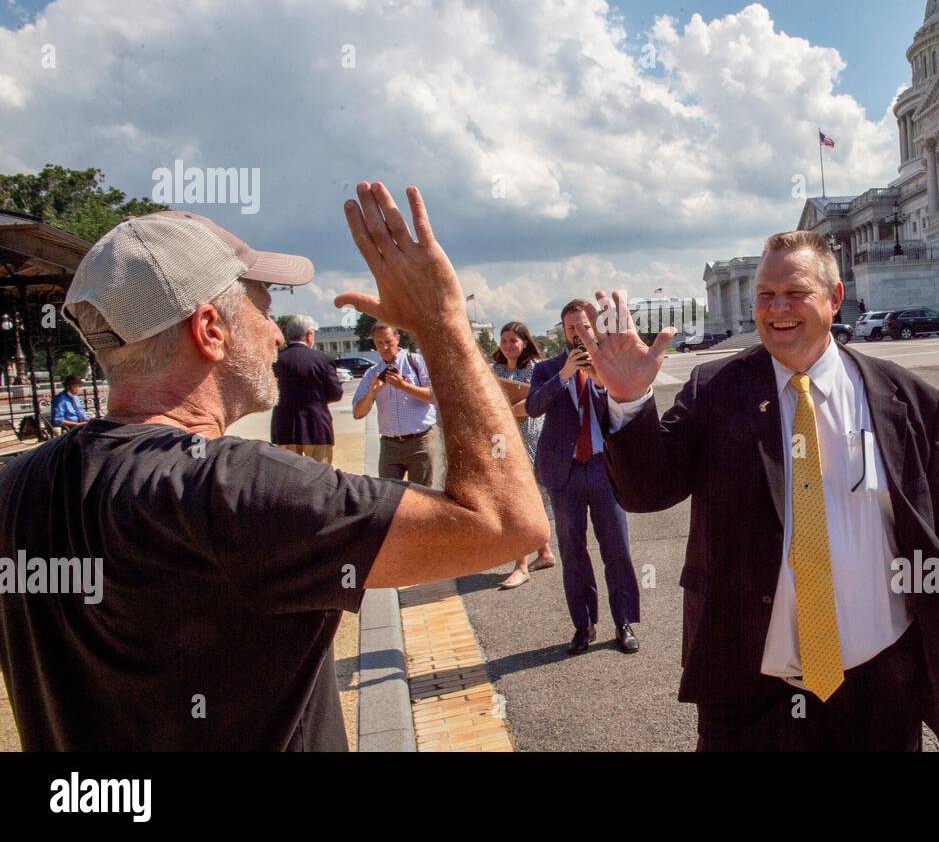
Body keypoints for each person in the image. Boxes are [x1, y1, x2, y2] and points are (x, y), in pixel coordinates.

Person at [0, 190, 548, 750]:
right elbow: (508, 523)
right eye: (262, 307)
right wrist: (441, 321)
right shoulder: (236, 491)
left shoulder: (15, 487)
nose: (277, 334)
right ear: (210, 329)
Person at [587, 230, 939, 752]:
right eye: (765, 294)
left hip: (881, 680)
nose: (777, 308)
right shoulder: (715, 391)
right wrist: (628, 399)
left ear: (834, 297)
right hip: (750, 686)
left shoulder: (910, 399)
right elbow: (646, 491)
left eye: (794, 293)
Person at [528, 300, 640, 655]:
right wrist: (564, 375)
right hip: (565, 473)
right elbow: (533, 408)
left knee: (617, 549)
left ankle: (624, 623)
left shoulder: (607, 366)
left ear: (595, 329)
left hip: (603, 468)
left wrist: (600, 380)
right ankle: (583, 625)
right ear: (563, 331)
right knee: (573, 552)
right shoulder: (546, 368)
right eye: (571, 328)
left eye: (585, 327)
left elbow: (624, 408)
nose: (579, 333)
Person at [491, 321, 558, 589]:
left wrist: (504, 407)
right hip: (502, 441)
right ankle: (544, 553)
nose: (508, 345)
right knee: (524, 499)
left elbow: (530, 407)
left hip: (529, 440)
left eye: (513, 341)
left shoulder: (534, 370)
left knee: (523, 500)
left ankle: (521, 565)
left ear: (525, 343)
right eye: (504, 340)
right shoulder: (494, 370)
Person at [353, 323, 444, 487]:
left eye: (388, 341)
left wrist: (404, 386)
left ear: (397, 338)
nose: (384, 347)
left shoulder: (416, 362)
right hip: (390, 446)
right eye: (379, 343)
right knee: (387, 497)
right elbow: (358, 413)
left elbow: (435, 396)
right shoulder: (372, 373)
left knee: (422, 496)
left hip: (420, 442)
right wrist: (372, 393)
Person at [271, 314, 343, 464]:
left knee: (287, 477)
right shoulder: (323, 360)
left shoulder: (275, 361)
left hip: (284, 426)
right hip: (316, 425)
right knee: (320, 478)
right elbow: (336, 394)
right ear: (309, 336)